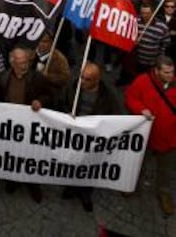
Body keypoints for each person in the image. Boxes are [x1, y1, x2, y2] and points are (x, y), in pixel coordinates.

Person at [58, 62, 122, 212]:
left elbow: (116, 117)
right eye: (81, 77)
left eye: (87, 79)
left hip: (93, 140)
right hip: (74, 136)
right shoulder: (72, 88)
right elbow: (60, 103)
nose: (82, 81)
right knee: (73, 163)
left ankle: (85, 193)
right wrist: (67, 113)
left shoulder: (108, 96)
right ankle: (71, 187)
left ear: (97, 80)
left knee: (89, 167)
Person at [0, 46, 54, 203]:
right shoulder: (2, 78)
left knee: (31, 156)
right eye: (20, 62)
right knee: (12, 154)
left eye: (26, 61)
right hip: (10, 125)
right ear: (12, 62)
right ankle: (13, 179)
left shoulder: (37, 78)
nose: (24, 65)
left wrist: (41, 101)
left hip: (30, 126)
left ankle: (32, 184)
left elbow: (51, 96)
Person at [125, 55, 176, 216]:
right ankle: (133, 185)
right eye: (167, 72)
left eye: (172, 72)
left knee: (165, 169)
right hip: (146, 135)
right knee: (139, 163)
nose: (171, 75)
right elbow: (130, 98)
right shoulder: (142, 81)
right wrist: (141, 109)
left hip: (170, 137)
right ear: (156, 70)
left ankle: (164, 193)